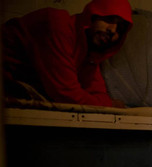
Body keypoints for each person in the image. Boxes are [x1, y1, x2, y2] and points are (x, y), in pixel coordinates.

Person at [2, 0, 133, 107]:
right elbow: (66, 94)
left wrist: (106, 103)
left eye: (120, 29)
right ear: (92, 15)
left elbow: (96, 92)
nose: (113, 30)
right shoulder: (58, 25)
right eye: (109, 19)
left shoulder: (89, 52)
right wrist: (108, 105)